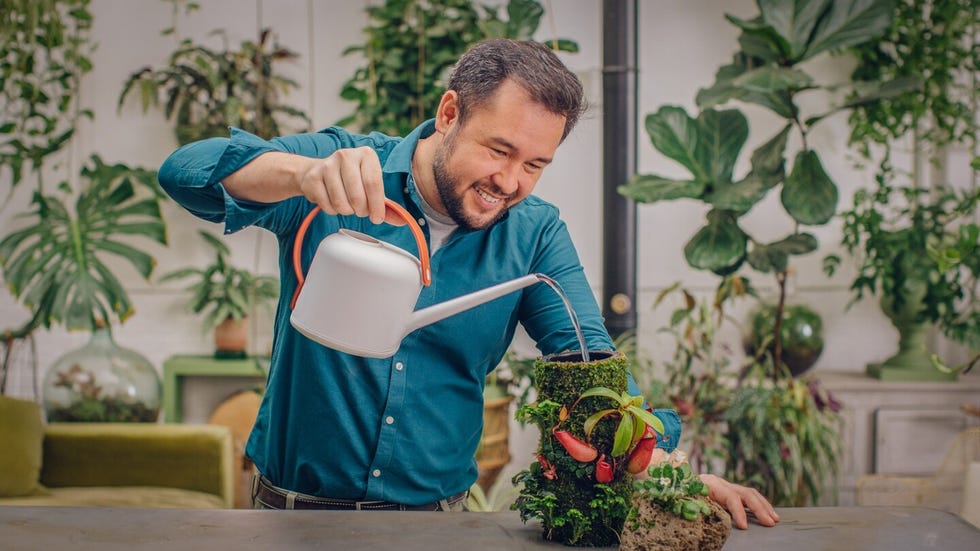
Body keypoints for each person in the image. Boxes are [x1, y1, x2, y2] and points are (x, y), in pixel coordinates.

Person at [158, 38, 778, 528]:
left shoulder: (533, 235)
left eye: (535, 164)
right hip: (292, 517)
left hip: (438, 524)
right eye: (499, 150)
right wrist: (301, 173)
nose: (510, 181)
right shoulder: (342, 169)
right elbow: (184, 172)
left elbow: (590, 367)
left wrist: (669, 469)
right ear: (449, 113)